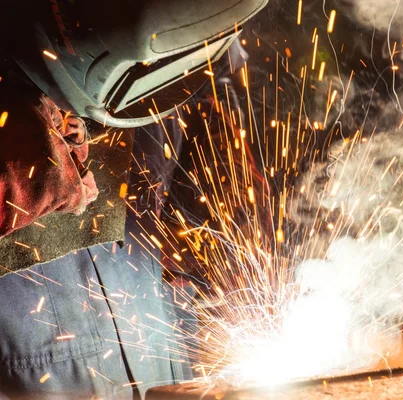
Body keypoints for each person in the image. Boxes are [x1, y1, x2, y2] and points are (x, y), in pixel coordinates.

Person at [0, 1, 267, 398]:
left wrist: (230, 261)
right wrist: (21, 172)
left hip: (156, 329)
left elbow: (211, 126)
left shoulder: (190, 35)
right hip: (39, 358)